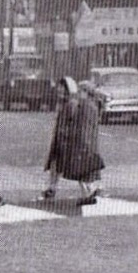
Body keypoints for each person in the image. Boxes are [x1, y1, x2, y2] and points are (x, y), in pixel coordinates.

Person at [42, 77, 104, 205]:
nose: (78, 93)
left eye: (81, 90)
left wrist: (71, 139)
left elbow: (80, 126)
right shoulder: (87, 105)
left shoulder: (82, 106)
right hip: (81, 142)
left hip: (79, 143)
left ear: (86, 92)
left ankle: (90, 192)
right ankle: (88, 192)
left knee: (80, 170)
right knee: (79, 170)